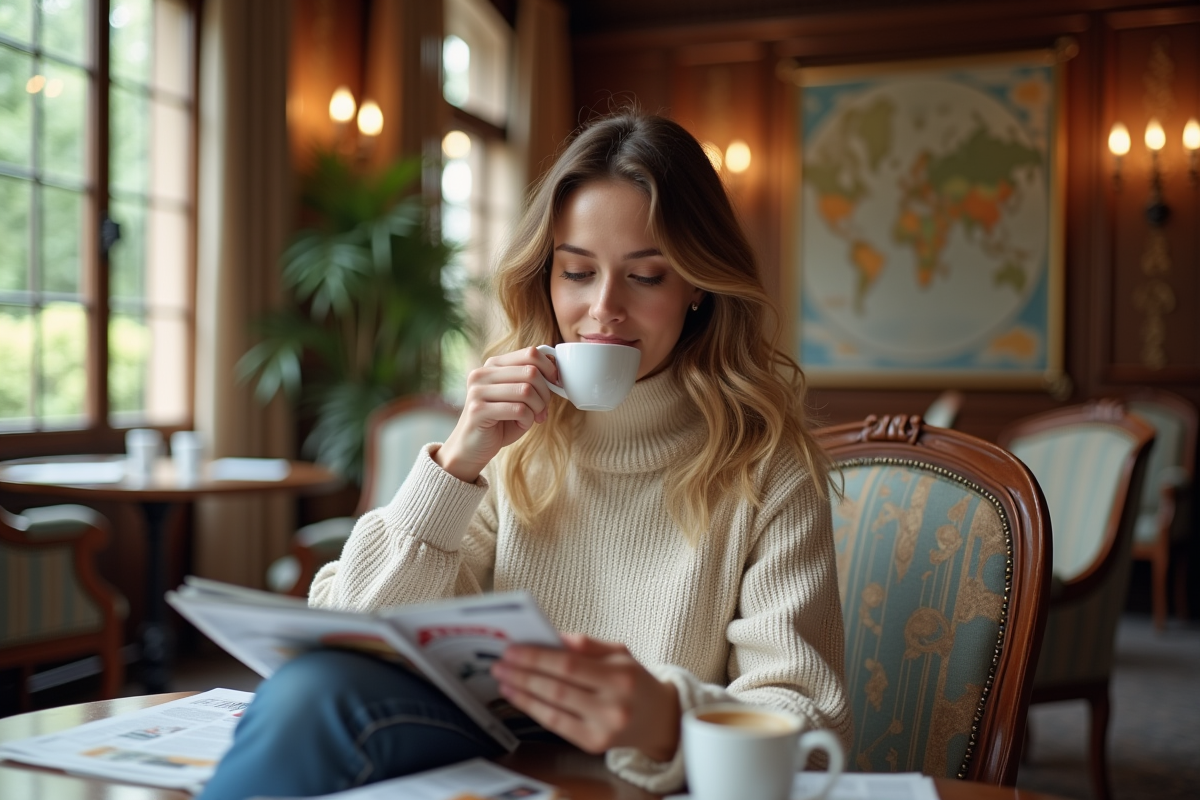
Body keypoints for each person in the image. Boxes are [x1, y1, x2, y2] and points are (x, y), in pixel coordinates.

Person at [199, 111, 851, 800]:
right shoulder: (513, 438)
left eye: (646, 276)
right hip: (481, 760)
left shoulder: (767, 467)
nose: (603, 308)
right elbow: (349, 628)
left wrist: (663, 719)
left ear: (697, 287)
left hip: (643, 785)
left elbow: (810, 727)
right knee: (314, 687)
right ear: (547, 277)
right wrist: (456, 463)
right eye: (578, 272)